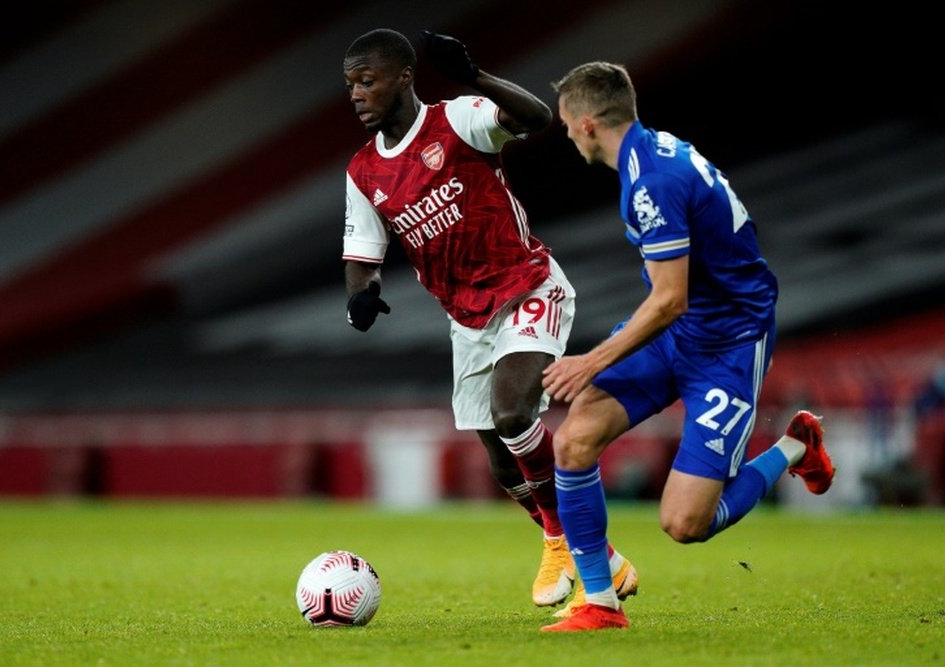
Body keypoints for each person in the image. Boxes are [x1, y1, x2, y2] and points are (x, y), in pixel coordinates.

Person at [340, 30, 638, 611]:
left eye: (367, 80)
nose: (355, 94)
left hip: (527, 285)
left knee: (511, 411)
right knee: (503, 463)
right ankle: (594, 552)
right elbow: (362, 257)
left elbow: (535, 118)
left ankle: (561, 539)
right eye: (350, 84)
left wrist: (472, 73)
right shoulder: (363, 172)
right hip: (467, 318)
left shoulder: (459, 119)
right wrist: (363, 296)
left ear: (403, 77)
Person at [539, 61, 836, 632]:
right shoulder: (650, 153)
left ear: (586, 123)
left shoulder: (652, 179)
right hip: (679, 328)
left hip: (728, 341)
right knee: (574, 441)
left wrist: (592, 360)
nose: (568, 135)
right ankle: (601, 604)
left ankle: (796, 446)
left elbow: (670, 297)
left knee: (684, 524)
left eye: (566, 124)